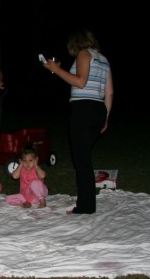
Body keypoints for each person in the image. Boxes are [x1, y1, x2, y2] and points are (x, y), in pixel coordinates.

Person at [43, 28, 113, 214]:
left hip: (84, 109)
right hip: (98, 109)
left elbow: (80, 82)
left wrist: (57, 69)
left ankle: (86, 206)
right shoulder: (104, 59)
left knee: (81, 160)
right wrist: (105, 116)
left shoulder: (84, 53)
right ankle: (86, 201)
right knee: (84, 158)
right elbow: (110, 92)